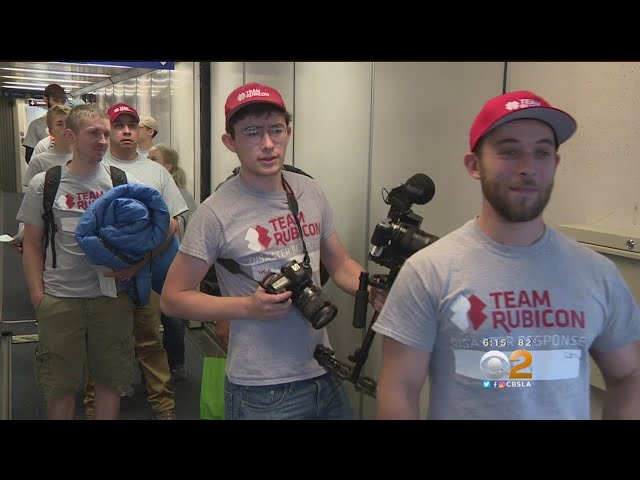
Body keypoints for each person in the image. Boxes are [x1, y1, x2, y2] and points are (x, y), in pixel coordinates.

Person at [372, 90, 640, 420]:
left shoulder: (597, 274)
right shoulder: (429, 272)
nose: (528, 167)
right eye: (510, 151)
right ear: (474, 165)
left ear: (555, 164)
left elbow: (629, 374)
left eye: (542, 152)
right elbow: (399, 388)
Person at [160, 82, 386, 420]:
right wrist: (247, 307)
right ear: (230, 142)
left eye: (276, 130)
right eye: (252, 132)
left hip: (324, 372)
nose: (267, 144)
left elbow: (340, 265)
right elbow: (172, 299)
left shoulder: (310, 191)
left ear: (288, 133)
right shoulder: (215, 212)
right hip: (262, 389)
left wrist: (371, 289)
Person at [16, 104, 138, 420]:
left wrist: (134, 267)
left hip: (110, 300)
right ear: (70, 136)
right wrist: (38, 296)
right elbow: (32, 244)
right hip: (60, 300)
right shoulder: (45, 184)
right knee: (60, 388)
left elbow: (148, 234)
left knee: (110, 383)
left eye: (106, 134)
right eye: (93, 133)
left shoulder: (122, 182)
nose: (102, 141)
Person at [83, 103, 188, 421]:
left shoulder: (156, 172)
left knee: (150, 341)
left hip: (147, 275)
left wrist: (140, 263)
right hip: (103, 278)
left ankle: (163, 406)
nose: (127, 131)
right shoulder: (92, 169)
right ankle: (94, 408)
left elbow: (172, 224)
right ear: (108, 130)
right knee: (102, 344)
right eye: (119, 125)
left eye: (132, 125)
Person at [148, 143, 198, 382]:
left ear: (167, 166)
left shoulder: (181, 197)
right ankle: (153, 369)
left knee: (173, 317)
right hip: (151, 263)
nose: (147, 162)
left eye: (153, 159)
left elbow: (188, 233)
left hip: (173, 263)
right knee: (146, 319)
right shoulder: (147, 190)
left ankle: (176, 364)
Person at [23, 105, 72, 186]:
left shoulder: (85, 157)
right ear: (50, 131)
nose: (66, 128)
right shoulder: (39, 161)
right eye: (59, 124)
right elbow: (31, 189)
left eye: (69, 123)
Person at [23, 83, 67, 164]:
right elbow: (29, 157)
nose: (60, 105)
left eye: (63, 101)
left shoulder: (72, 122)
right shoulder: (36, 125)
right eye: (56, 100)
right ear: (46, 100)